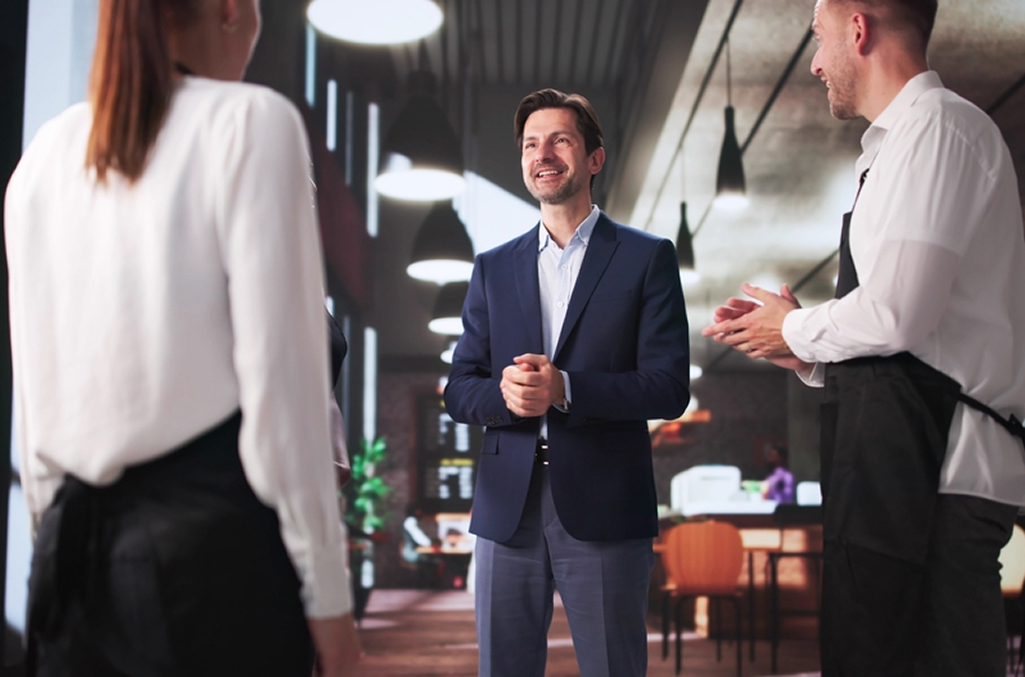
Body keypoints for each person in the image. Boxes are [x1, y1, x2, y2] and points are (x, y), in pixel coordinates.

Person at [4, 0, 361, 674]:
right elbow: (284, 407)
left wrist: (52, 561)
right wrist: (330, 609)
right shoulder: (252, 122)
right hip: (213, 560)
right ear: (231, 10)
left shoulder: (42, 156)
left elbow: (37, 408)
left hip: (67, 558)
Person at [702, 0, 1025, 674]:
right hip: (905, 462)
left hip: (945, 472)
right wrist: (802, 352)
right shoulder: (893, 148)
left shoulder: (937, 130)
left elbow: (896, 314)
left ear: (858, 28)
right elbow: (909, 331)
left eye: (819, 39)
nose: (815, 63)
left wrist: (794, 324)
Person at [444, 88, 690, 677]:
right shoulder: (492, 267)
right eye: (531, 143)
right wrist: (505, 396)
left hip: (606, 506)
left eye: (560, 139)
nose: (542, 153)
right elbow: (459, 386)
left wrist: (566, 389)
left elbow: (667, 387)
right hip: (508, 510)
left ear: (594, 158)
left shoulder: (646, 257)